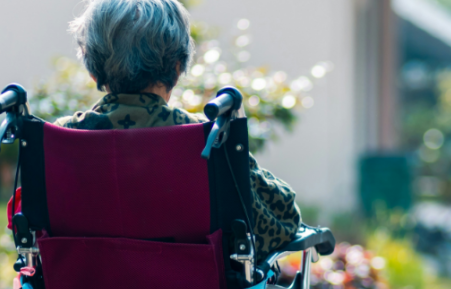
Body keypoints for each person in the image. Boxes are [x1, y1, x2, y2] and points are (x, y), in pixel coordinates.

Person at [55, 0, 301, 259]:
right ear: (177, 67)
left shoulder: (62, 140)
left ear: (94, 71)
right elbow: (282, 222)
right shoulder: (207, 139)